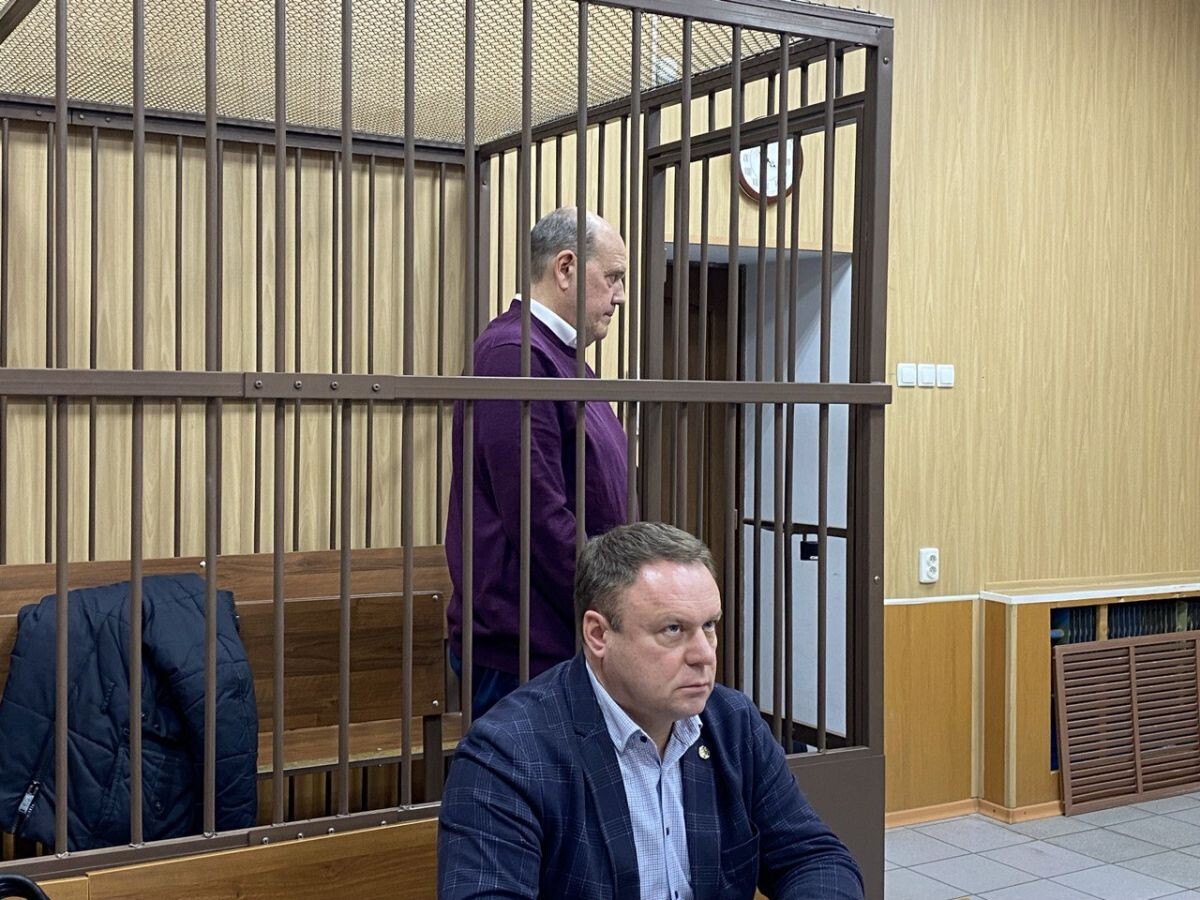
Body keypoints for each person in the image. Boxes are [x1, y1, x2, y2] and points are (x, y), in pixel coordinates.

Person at [438, 522, 864, 900]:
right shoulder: (508, 752)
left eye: (709, 626)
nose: (704, 655)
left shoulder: (731, 721)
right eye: (673, 629)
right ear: (598, 634)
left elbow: (813, 858)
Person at [444, 207, 629, 718]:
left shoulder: (559, 356)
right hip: (524, 647)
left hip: (560, 631)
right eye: (613, 277)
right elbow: (538, 514)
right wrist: (615, 601)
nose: (619, 296)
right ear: (565, 268)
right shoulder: (515, 354)